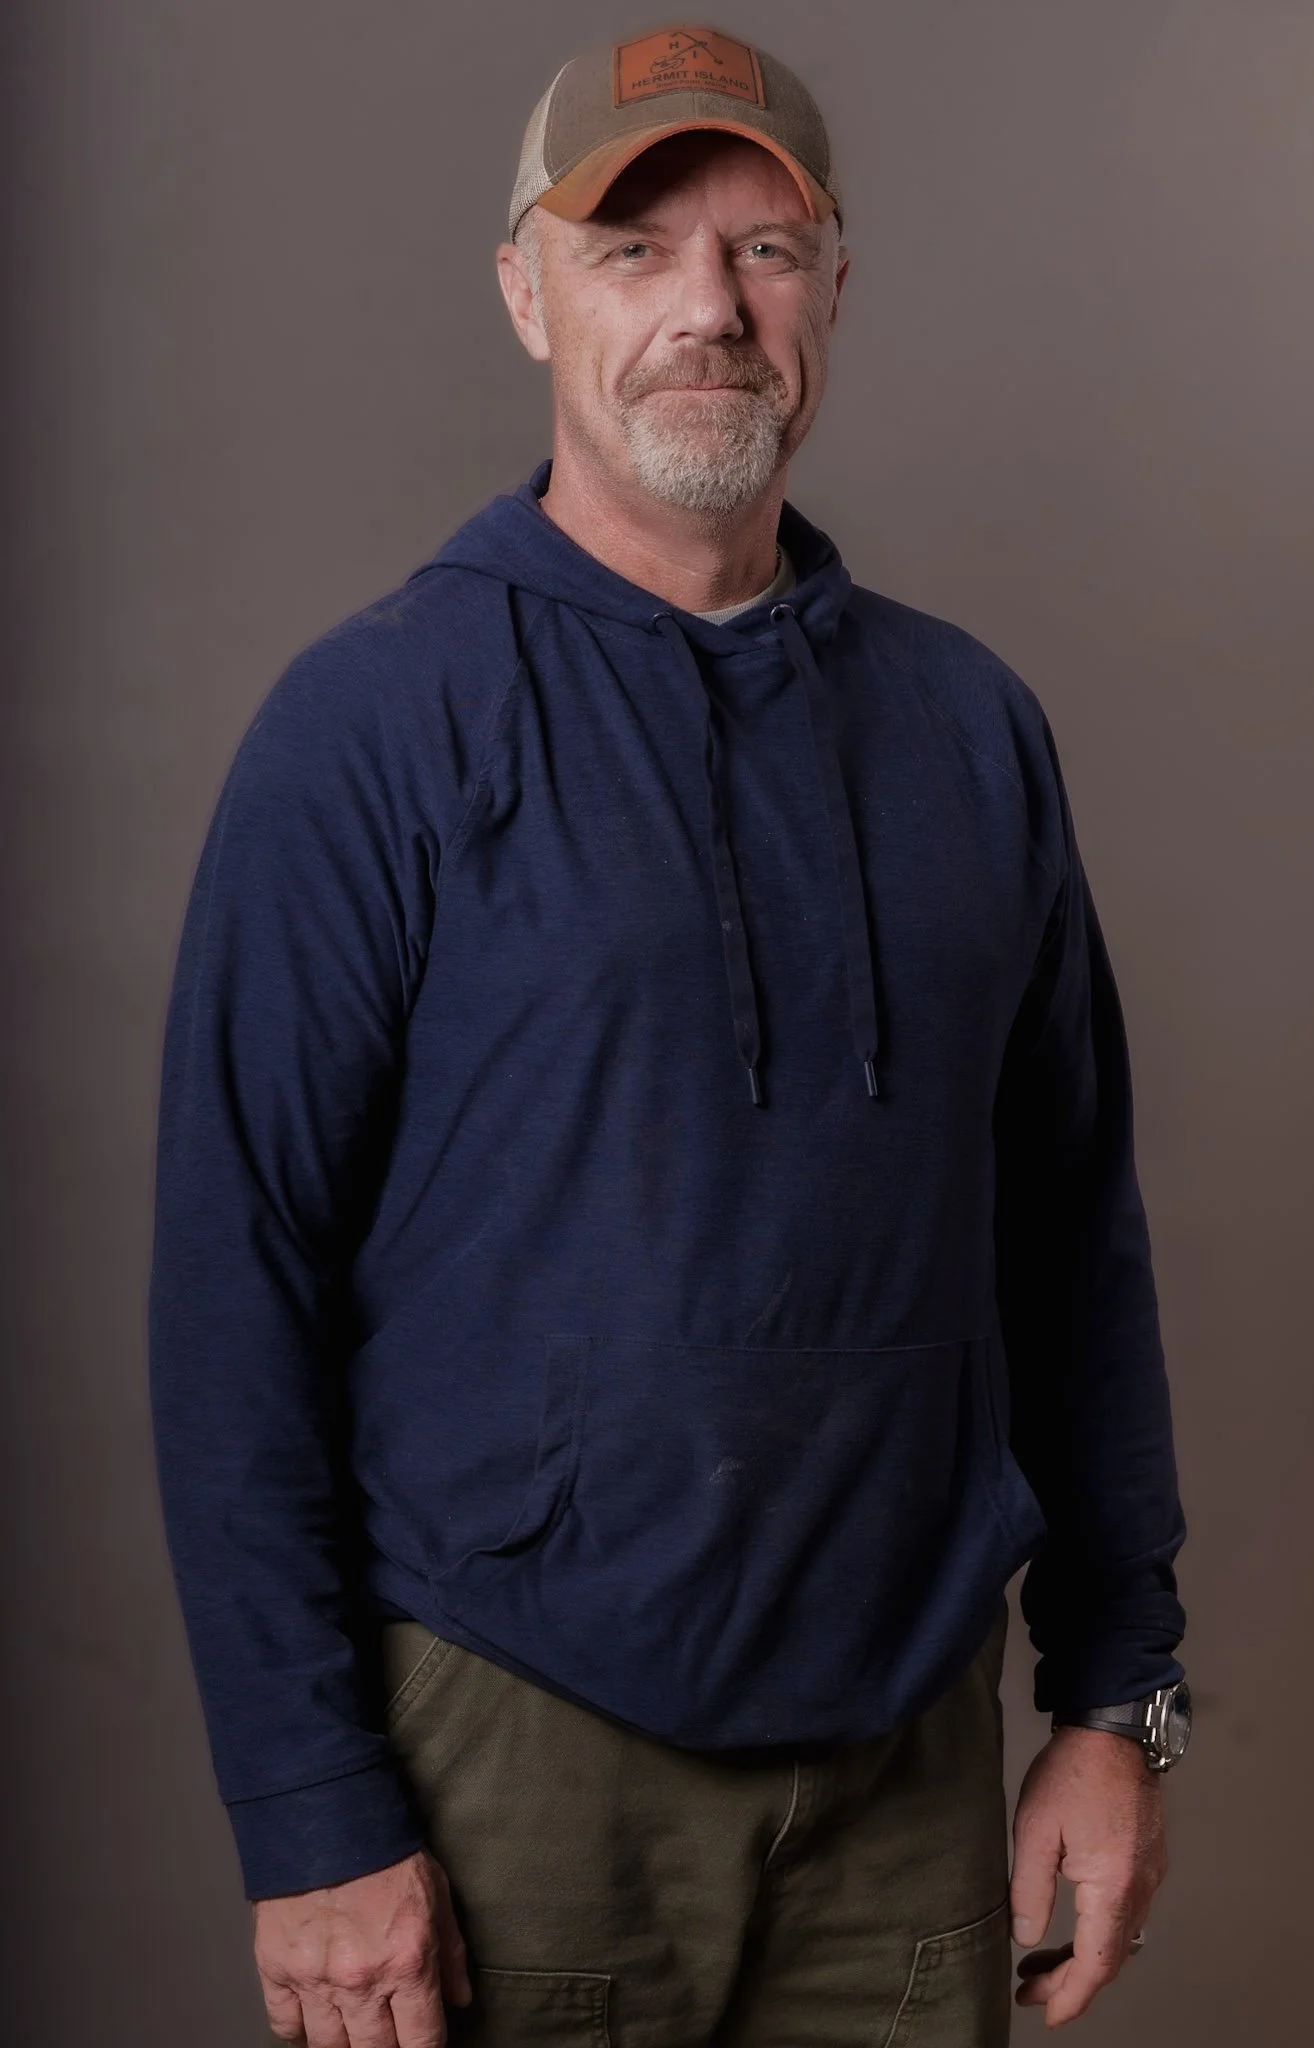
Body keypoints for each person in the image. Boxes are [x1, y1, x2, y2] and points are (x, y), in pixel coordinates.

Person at [148, 23, 1189, 2048]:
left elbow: (1076, 1253)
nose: (707, 311)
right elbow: (233, 1294)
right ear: (527, 289)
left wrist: (1113, 1697)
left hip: (907, 1771)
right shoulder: (373, 727)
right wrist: (305, 1811)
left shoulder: (972, 731)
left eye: (765, 251)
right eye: (632, 249)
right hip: (511, 1755)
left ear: (831, 290)